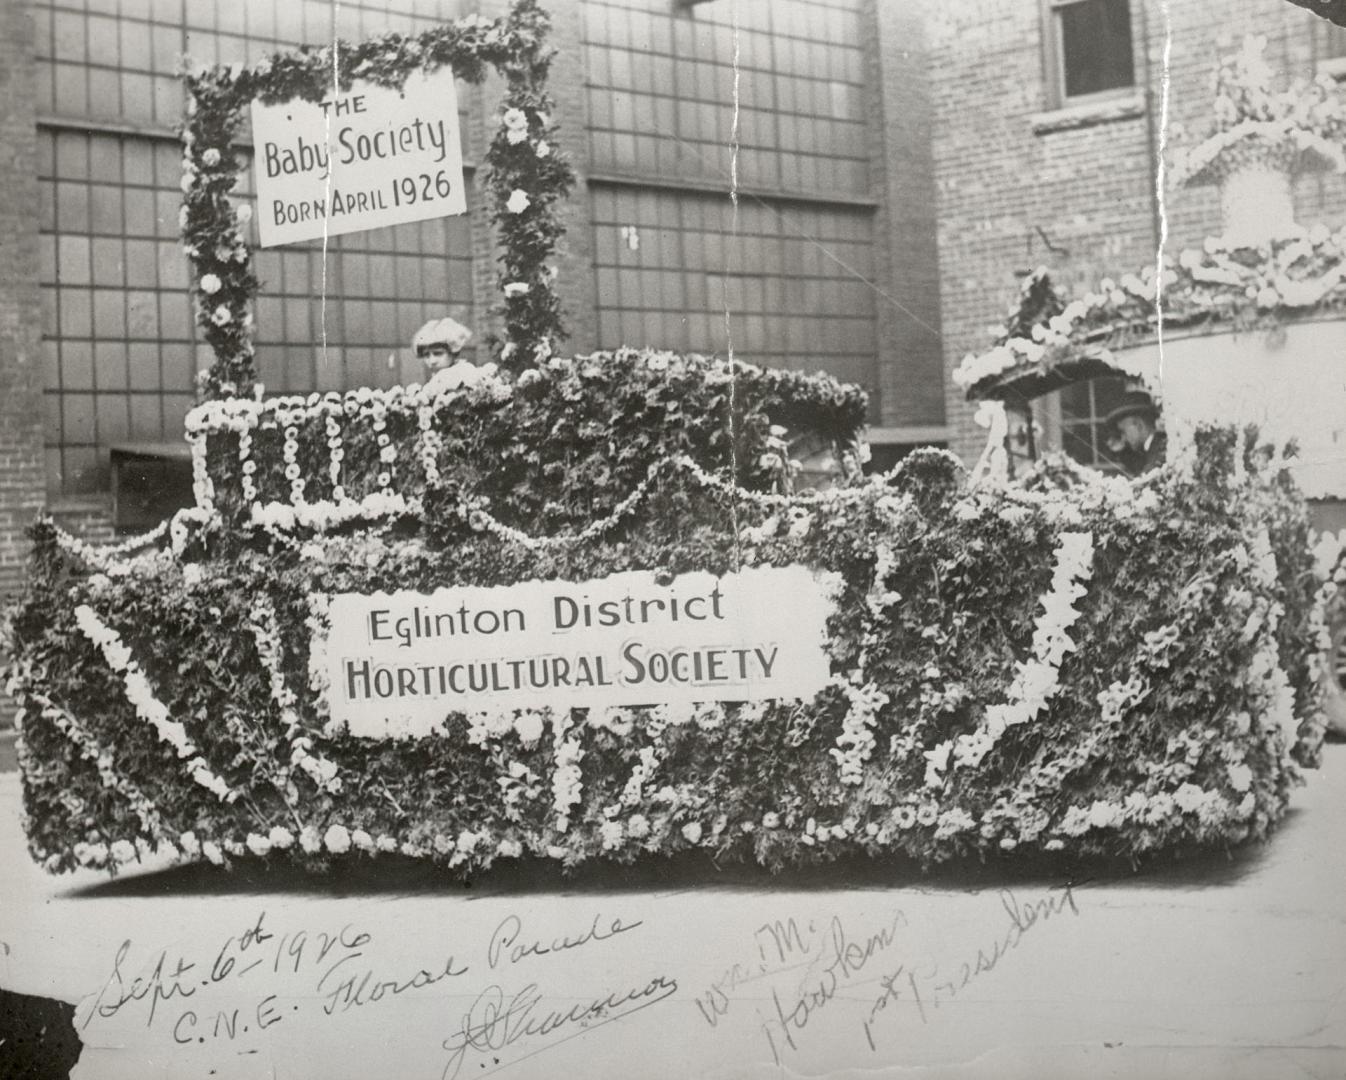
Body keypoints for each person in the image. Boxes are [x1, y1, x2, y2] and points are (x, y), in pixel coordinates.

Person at [1104, 389, 1166, 477]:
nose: (1124, 438)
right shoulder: (1151, 448)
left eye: (1123, 431)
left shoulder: (1159, 452)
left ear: (1139, 425)